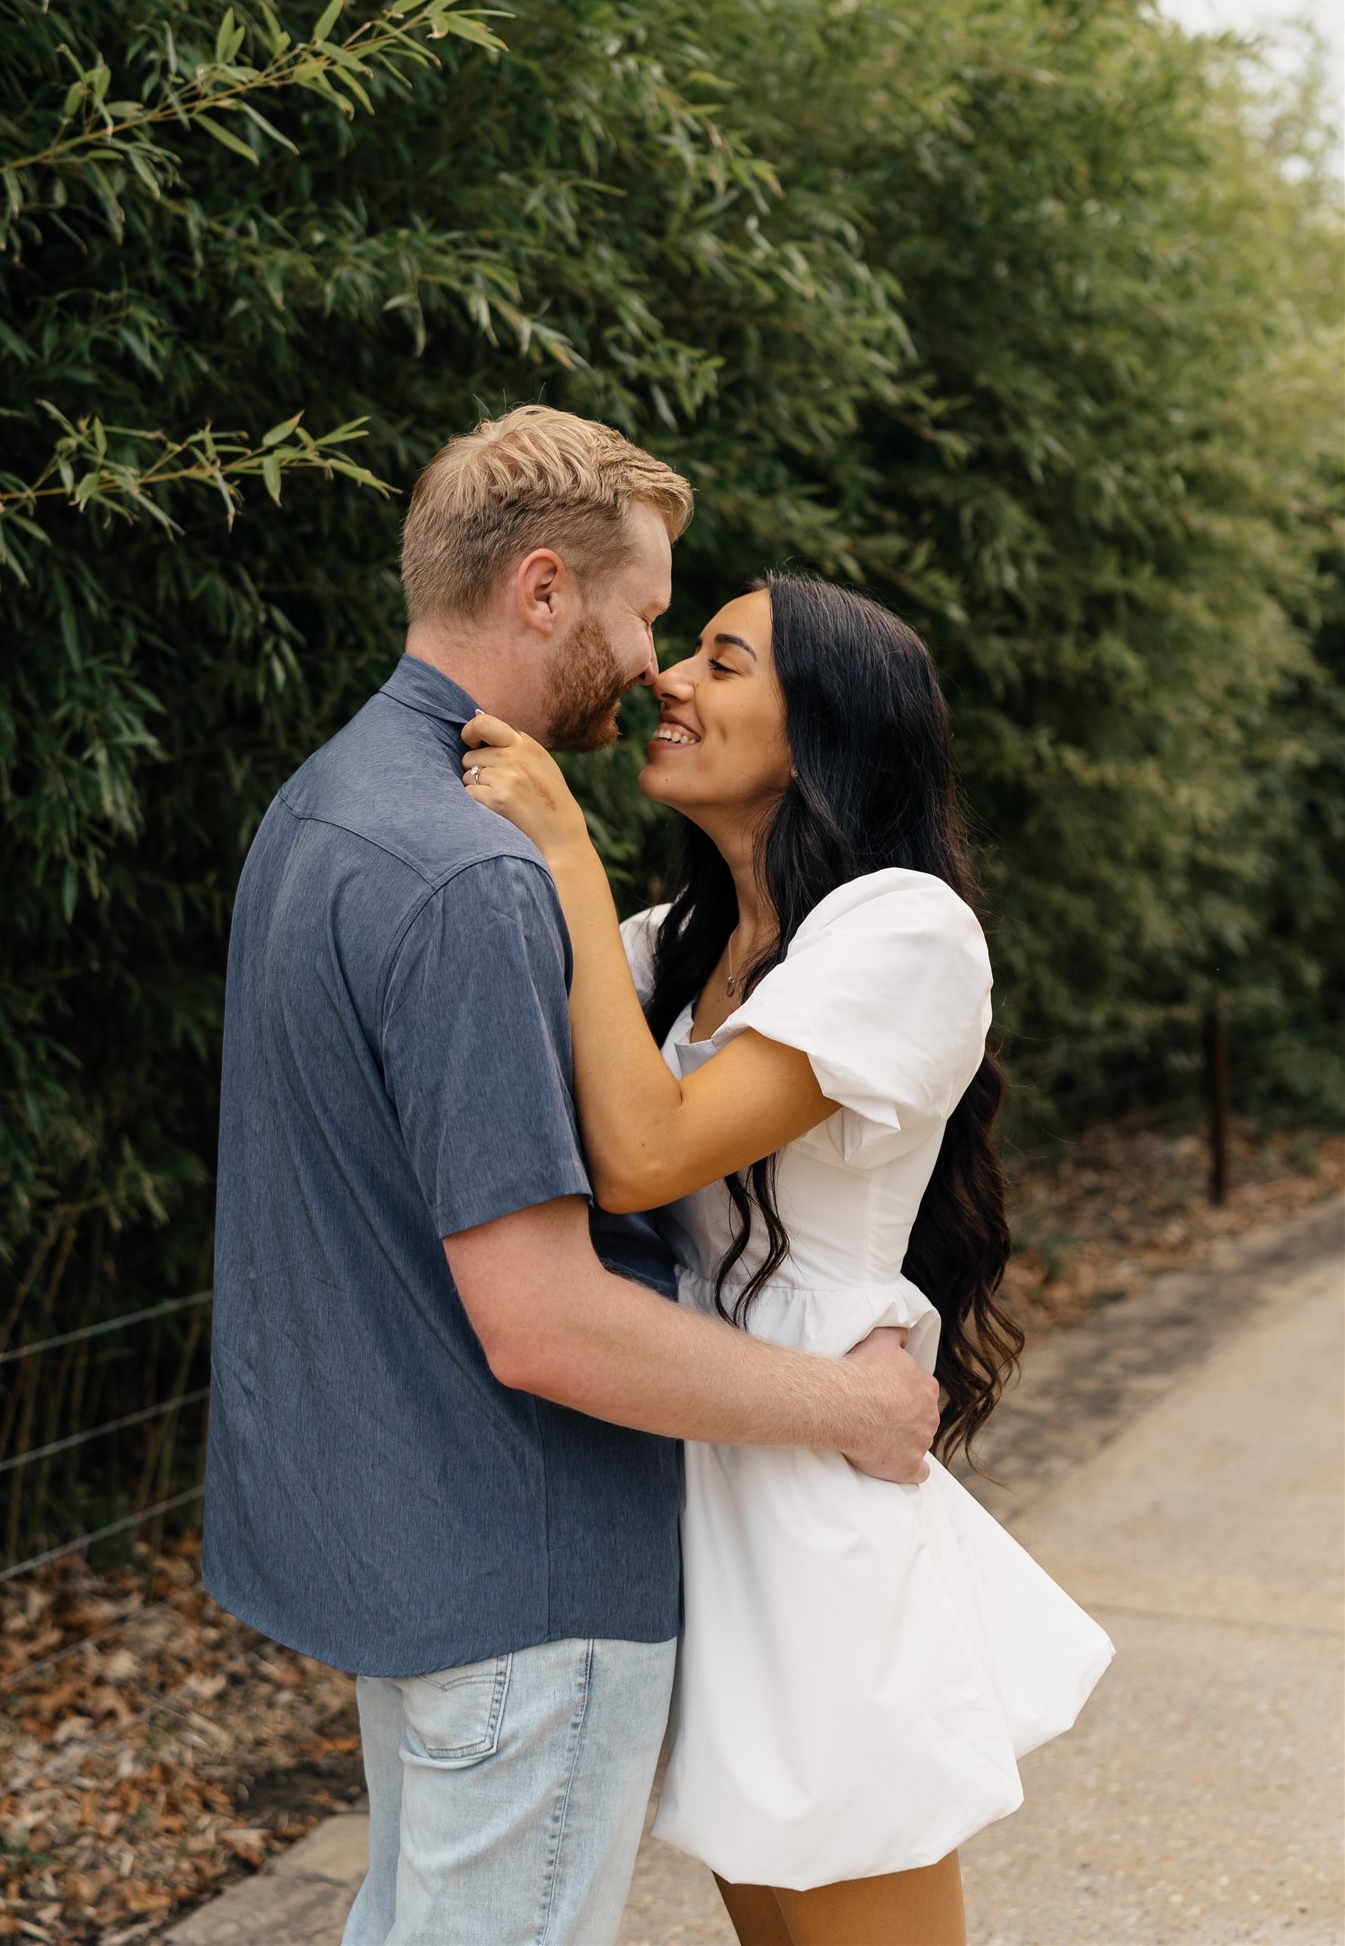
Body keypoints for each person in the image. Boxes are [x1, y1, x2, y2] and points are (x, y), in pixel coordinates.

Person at [201, 409, 942, 1946]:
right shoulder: (486, 879)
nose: (656, 660)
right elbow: (548, 1309)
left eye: (705, 648)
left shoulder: (322, 809)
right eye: (652, 612)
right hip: (530, 1548)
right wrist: (856, 1408)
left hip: (484, 1531)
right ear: (545, 591)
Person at [462, 568, 1116, 1946]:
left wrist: (568, 855)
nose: (669, 681)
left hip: (811, 1506)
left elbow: (648, 1153)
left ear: (824, 725)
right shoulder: (669, 947)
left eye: (722, 658)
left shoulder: (900, 929)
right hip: (698, 1463)